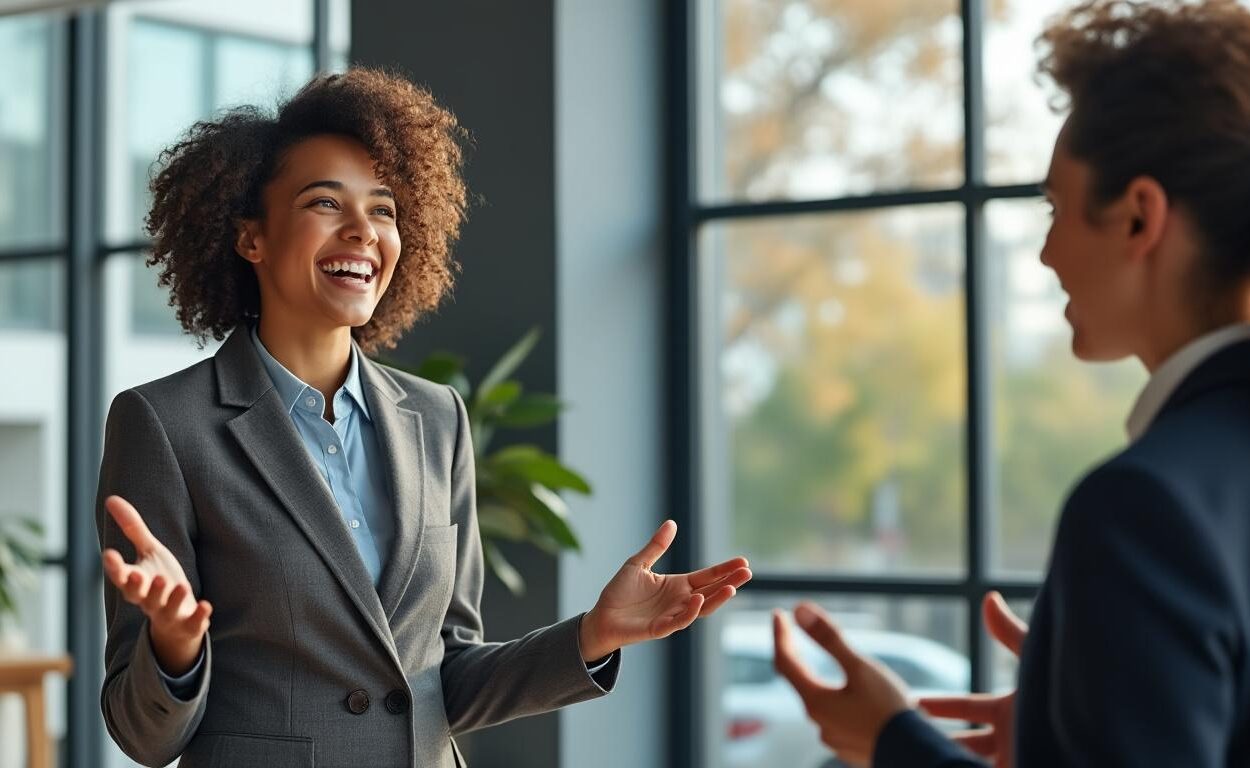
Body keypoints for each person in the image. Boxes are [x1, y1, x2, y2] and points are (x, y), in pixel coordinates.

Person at [96, 68, 753, 768]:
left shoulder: (436, 419)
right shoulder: (164, 424)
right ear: (250, 237)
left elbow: (447, 680)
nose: (362, 230)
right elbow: (142, 737)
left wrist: (593, 634)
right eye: (325, 203)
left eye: (383, 209)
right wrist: (173, 645)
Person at [771, 0, 1250, 765]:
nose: (1046, 254)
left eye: (1055, 207)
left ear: (1138, 216)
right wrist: (1074, 717)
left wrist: (895, 740)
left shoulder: (1146, 510)